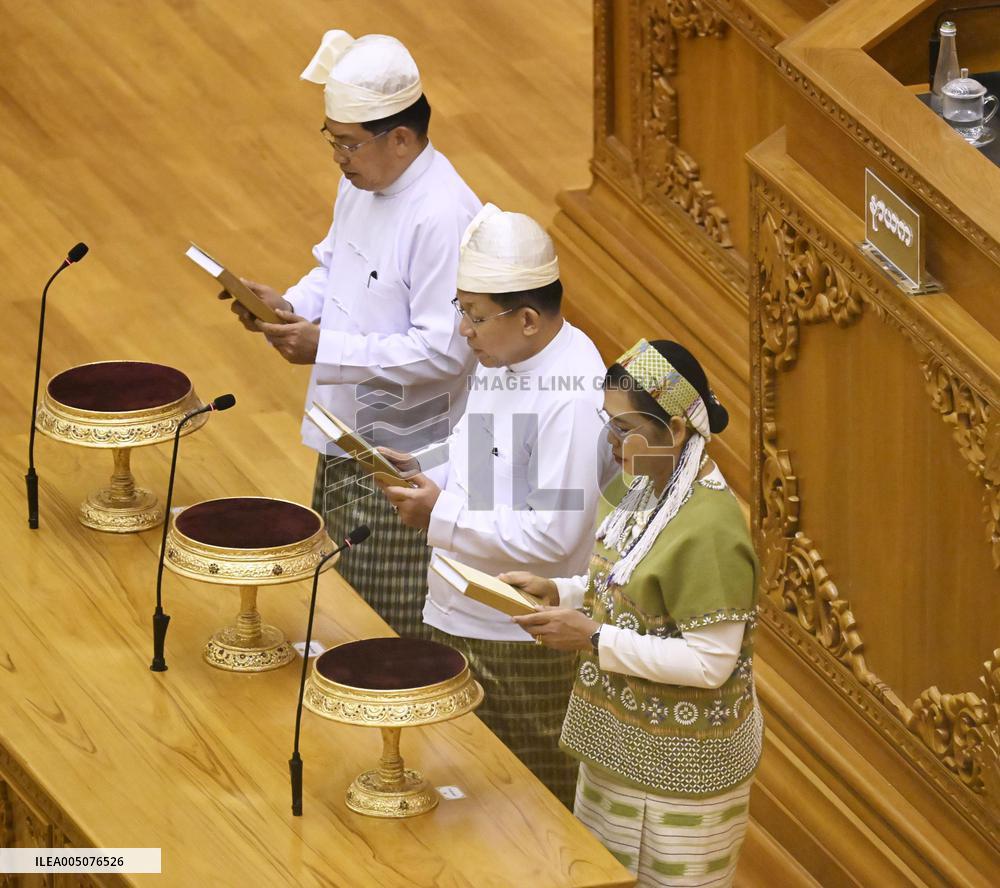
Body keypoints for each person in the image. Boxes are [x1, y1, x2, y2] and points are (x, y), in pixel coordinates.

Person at [229, 29, 481, 637]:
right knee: (334, 590)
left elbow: (445, 350)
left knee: (385, 621)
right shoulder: (361, 182)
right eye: (332, 140)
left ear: (401, 138)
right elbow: (335, 265)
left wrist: (325, 347)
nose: (338, 158)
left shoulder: (443, 215)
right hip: (345, 432)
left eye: (348, 144)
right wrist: (289, 305)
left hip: (404, 454)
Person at [377, 205, 614, 808]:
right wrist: (422, 471)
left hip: (518, 637)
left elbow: (555, 538)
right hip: (459, 607)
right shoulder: (504, 357)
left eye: (476, 315)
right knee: (460, 788)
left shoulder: (574, 396)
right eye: (461, 310)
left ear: (528, 318)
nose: (464, 329)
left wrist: (439, 515)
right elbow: (476, 456)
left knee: (530, 800)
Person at [509, 339, 763, 887]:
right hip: (617, 751)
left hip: (680, 778)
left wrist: (592, 638)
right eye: (609, 424)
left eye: (625, 428)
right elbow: (626, 586)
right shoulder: (644, 486)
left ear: (676, 430)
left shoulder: (711, 530)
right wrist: (560, 592)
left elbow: (710, 663)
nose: (612, 441)